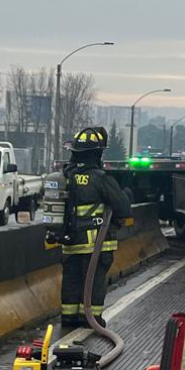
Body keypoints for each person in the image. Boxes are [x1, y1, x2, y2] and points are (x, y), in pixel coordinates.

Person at [57, 127, 132, 327]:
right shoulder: (100, 178)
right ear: (97, 153)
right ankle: (91, 318)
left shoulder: (65, 175)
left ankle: (69, 317)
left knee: (71, 280)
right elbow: (123, 208)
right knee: (94, 281)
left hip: (70, 241)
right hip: (95, 243)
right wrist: (126, 193)